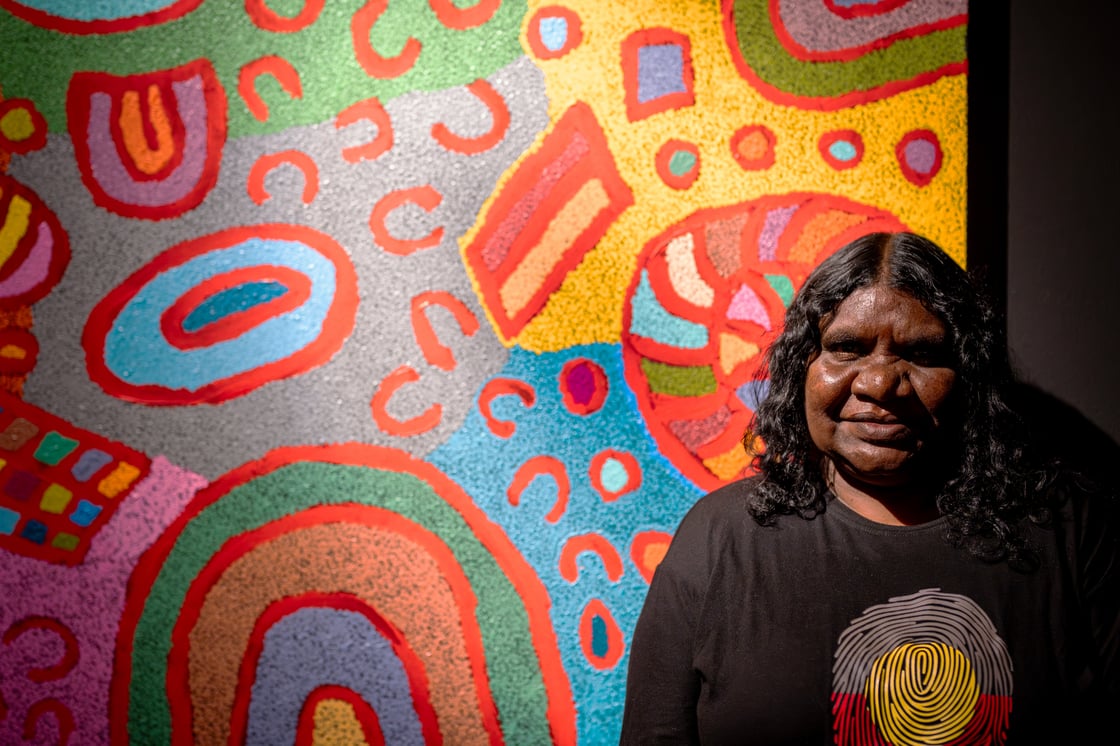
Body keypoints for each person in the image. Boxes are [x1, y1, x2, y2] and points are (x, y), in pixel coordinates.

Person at [619, 231, 1118, 744]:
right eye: (845, 347)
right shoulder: (718, 540)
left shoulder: (1065, 531)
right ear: (801, 368)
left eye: (922, 353)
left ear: (970, 376)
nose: (878, 383)